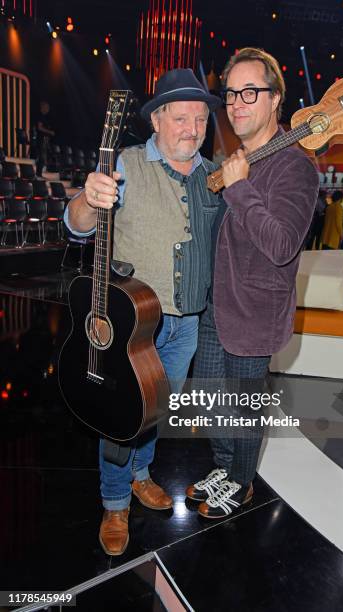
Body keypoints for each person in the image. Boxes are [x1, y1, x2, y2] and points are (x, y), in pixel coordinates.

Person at [64, 68, 221, 555]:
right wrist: (88, 201)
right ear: (156, 120)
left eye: (199, 118)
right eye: (180, 118)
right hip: (133, 323)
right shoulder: (125, 163)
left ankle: (139, 474)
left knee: (153, 411)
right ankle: (114, 502)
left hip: (186, 325)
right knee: (120, 411)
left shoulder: (211, 174)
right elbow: (78, 224)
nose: (192, 128)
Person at [185, 48, 319, 518]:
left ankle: (241, 483)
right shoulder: (243, 157)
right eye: (231, 94)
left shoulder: (296, 167)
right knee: (209, 395)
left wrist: (239, 187)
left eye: (250, 92)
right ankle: (225, 466)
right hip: (217, 304)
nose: (237, 103)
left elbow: (282, 245)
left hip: (255, 312)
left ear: (275, 98)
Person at [35, 101, 55, 177]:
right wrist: (50, 132)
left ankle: (39, 173)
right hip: (41, 139)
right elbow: (39, 128)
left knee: (43, 157)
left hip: (44, 139)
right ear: (43, 108)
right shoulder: (40, 116)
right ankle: (38, 173)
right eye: (46, 107)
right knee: (41, 157)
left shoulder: (44, 117)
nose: (48, 109)